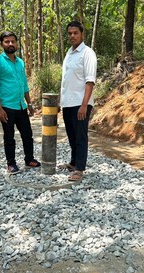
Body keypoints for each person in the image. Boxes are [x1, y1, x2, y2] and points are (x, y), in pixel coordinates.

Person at [0, 31, 41, 174]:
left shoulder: (20, 62)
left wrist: (29, 104)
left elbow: (24, 84)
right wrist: (0, 109)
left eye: (13, 41)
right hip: (7, 106)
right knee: (9, 136)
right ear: (2, 44)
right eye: (7, 41)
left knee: (27, 134)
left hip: (21, 105)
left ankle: (29, 159)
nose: (10, 44)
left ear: (17, 43)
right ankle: (11, 164)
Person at [59, 21, 97, 181]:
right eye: (70, 33)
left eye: (75, 33)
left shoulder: (87, 53)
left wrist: (84, 105)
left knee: (80, 136)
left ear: (82, 34)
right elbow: (66, 80)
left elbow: (90, 81)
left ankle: (80, 169)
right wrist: (60, 103)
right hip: (68, 103)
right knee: (71, 135)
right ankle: (74, 162)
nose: (72, 36)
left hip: (81, 103)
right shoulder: (69, 53)